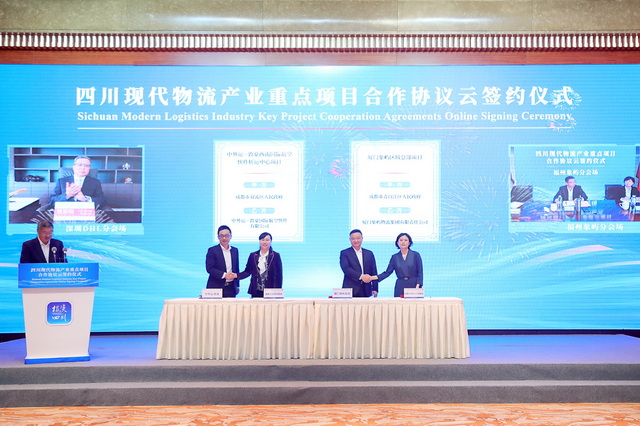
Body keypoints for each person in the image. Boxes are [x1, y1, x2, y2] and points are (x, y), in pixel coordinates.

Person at [39, 155, 107, 210]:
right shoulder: (62, 181)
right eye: (80, 165)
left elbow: (102, 200)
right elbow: (51, 200)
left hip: (85, 212)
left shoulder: (95, 182)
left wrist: (86, 199)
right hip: (65, 211)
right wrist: (66, 195)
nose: (83, 168)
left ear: (89, 168)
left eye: (86, 165)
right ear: (74, 167)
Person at [374, 233, 423, 298]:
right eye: (401, 240)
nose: (403, 242)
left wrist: (417, 287)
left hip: (414, 285)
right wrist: (373, 278)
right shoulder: (395, 257)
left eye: (405, 240)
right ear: (397, 243)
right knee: (399, 304)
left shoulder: (415, 255)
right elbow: (387, 273)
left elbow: (420, 272)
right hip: (400, 285)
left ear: (409, 242)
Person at [238, 232, 283, 298]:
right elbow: (247, 271)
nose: (265, 242)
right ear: (259, 241)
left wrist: (278, 291)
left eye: (267, 240)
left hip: (271, 291)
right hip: (256, 290)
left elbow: (279, 275)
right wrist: (236, 276)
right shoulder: (253, 255)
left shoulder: (275, 255)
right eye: (262, 240)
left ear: (271, 241)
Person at [339, 229, 378, 297]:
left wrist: (375, 288)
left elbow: (374, 271)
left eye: (358, 238)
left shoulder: (369, 253)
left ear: (362, 239)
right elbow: (346, 269)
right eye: (353, 239)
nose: (356, 240)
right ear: (350, 240)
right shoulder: (344, 253)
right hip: (350, 289)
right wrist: (361, 276)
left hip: (366, 289)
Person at [205, 225, 240, 298]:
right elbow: (210, 268)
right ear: (218, 237)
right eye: (221, 236)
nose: (224, 238)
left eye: (227, 235)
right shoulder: (212, 250)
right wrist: (224, 275)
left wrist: (237, 285)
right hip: (215, 287)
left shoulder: (235, 250)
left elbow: (236, 268)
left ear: (230, 236)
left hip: (231, 288)